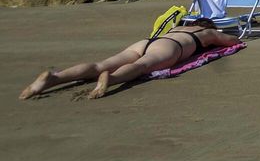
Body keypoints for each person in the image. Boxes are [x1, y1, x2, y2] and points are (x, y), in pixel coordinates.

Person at [19, 18, 239, 100]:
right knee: (140, 66)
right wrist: (226, 38)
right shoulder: (206, 33)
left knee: (99, 65)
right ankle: (112, 79)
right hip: (171, 47)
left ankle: (54, 78)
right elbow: (230, 41)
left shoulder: (178, 27)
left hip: (147, 41)